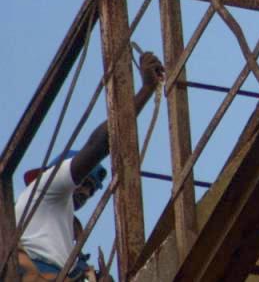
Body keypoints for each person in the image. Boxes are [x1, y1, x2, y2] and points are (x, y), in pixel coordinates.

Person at [14, 52, 164, 281]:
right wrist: (146, 90)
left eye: (92, 190)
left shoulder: (58, 226)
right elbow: (100, 143)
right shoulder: (46, 186)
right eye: (84, 183)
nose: (86, 192)